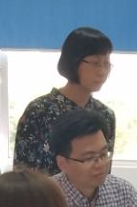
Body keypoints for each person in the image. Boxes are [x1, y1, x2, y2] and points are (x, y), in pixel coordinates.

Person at [14, 27, 116, 175]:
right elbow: (22, 175)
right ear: (73, 62)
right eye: (95, 63)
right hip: (44, 190)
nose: (102, 71)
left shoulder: (105, 115)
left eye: (106, 64)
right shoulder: (39, 111)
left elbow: (104, 174)